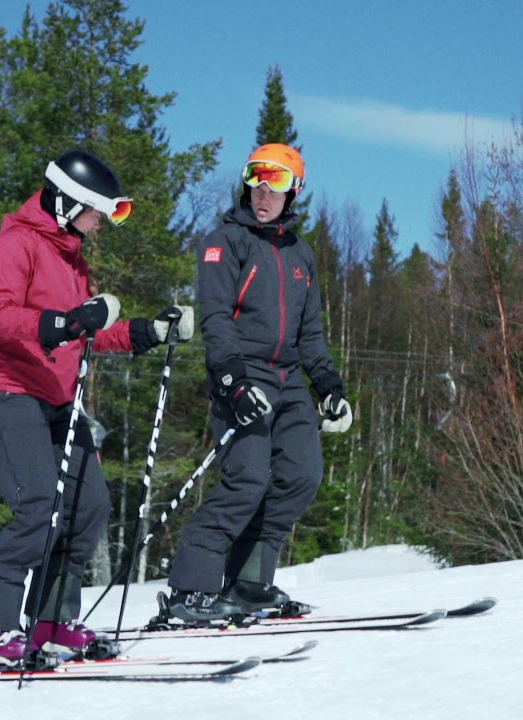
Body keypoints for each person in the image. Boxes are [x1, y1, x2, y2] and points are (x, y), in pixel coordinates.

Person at [0, 149, 193, 666]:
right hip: (10, 392)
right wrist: (64, 323)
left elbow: (88, 336)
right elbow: (0, 317)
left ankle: (49, 619)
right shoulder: (13, 245)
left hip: (60, 402)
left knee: (89, 507)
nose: (101, 225)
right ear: (68, 201)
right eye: (97, 213)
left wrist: (145, 332)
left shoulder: (72, 259)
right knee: (39, 507)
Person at [162, 143, 353, 623]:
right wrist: (232, 380)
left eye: (278, 182)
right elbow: (215, 318)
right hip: (243, 373)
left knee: (301, 477)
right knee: (246, 479)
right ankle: (190, 591)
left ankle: (248, 582)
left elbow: (311, 333)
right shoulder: (224, 242)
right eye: (257, 179)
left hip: (289, 382)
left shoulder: (301, 255)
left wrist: (330, 386)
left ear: (294, 192)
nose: (265, 191)